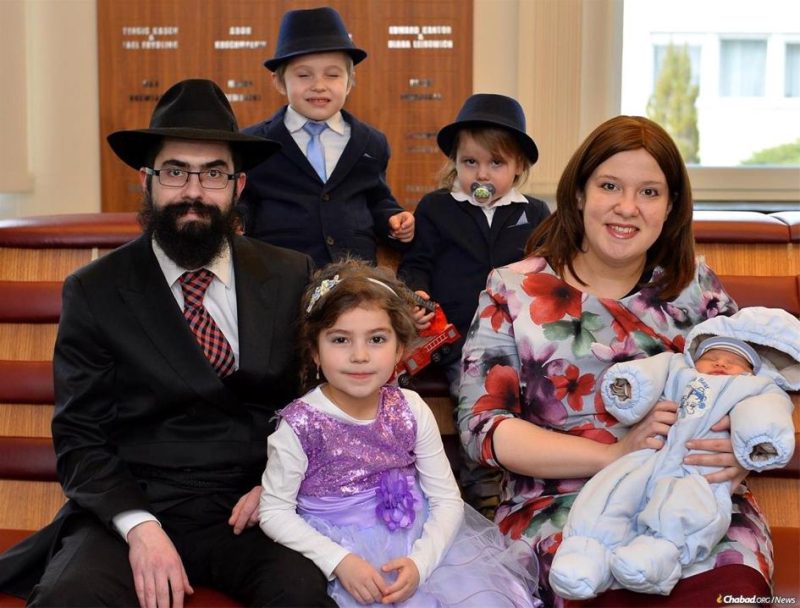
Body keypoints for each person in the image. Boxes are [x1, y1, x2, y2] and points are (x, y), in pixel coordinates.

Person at [0, 79, 335, 607]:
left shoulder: (290, 274)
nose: (194, 192)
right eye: (176, 171)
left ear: (238, 185)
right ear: (147, 180)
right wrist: (139, 526)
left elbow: (319, 406)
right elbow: (80, 438)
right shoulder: (96, 289)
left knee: (304, 594)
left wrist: (280, 488)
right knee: (70, 599)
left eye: (214, 174)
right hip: (135, 503)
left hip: (253, 506)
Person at [457, 115, 775, 607]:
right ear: (579, 194)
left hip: (691, 503)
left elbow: (754, 391)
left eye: (649, 192)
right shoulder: (514, 288)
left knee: (733, 593)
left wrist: (740, 454)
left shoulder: (697, 290)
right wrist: (612, 453)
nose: (627, 207)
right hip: (561, 509)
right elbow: (483, 429)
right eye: (609, 186)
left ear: (670, 206)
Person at [258, 259, 541, 608]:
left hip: (419, 546)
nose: (360, 355)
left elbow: (446, 500)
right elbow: (274, 511)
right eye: (340, 340)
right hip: (339, 557)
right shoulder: (299, 424)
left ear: (399, 350)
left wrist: (421, 564)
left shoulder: (410, 408)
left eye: (377, 339)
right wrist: (339, 562)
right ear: (315, 352)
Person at [549, 306, 798, 599]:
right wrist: (627, 388)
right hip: (650, 455)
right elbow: (646, 377)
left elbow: (766, 414)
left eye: (734, 361)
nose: (721, 363)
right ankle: (586, 552)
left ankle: (658, 553)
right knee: (613, 491)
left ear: (751, 370)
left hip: (699, 470)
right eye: (712, 357)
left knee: (684, 506)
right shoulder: (677, 368)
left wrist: (756, 444)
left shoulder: (756, 387)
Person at [397, 93, 550, 518]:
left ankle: (531, 479)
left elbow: (547, 270)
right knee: (474, 395)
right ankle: (479, 490)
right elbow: (417, 263)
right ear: (455, 163)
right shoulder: (437, 207)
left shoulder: (534, 212)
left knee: (533, 394)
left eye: (495, 163)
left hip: (518, 337)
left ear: (518, 166)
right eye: (470, 163)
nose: (482, 174)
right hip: (458, 338)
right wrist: (417, 296)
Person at [238, 6, 415, 268]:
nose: (319, 85)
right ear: (278, 81)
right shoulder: (254, 143)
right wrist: (237, 220)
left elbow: (377, 199)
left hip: (353, 277)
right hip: (280, 274)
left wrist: (394, 219)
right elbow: (244, 201)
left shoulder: (371, 142)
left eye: (332, 75)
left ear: (350, 80)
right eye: (303, 75)